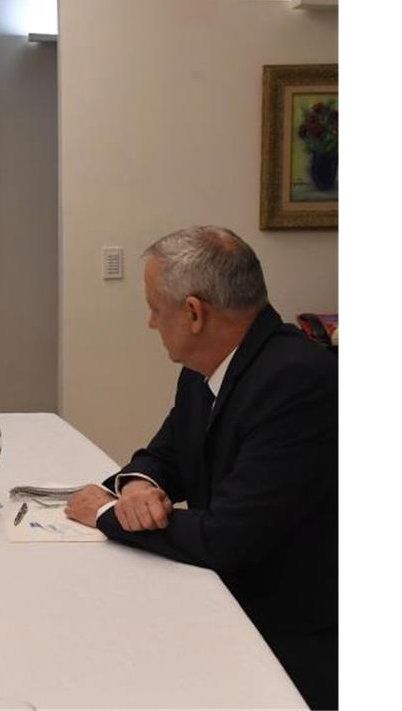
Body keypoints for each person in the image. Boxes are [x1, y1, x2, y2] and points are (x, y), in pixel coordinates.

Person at [64, 226, 337, 709]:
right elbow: (166, 455)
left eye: (154, 307)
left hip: (290, 634)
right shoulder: (207, 367)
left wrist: (106, 514)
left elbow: (227, 538)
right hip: (227, 592)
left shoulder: (297, 381)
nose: (151, 323)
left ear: (193, 313)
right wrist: (138, 487)